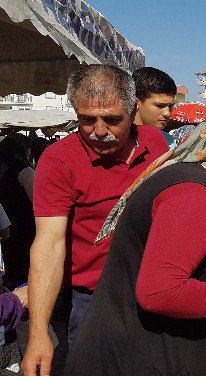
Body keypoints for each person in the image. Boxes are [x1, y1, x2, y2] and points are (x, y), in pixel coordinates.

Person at [64, 109, 206, 375]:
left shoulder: (196, 180)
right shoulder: (192, 193)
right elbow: (160, 291)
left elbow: (179, 257)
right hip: (133, 357)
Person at [23, 64, 169, 376]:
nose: (99, 131)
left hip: (157, 287)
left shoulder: (156, 143)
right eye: (87, 120)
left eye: (112, 119)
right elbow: (49, 243)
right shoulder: (59, 160)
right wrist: (39, 335)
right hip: (95, 298)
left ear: (133, 110)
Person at [0, 133, 36, 290]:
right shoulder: (24, 170)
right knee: (25, 269)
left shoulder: (3, 168)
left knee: (12, 268)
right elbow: (38, 200)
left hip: (6, 229)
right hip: (24, 229)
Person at [132, 67, 177, 147]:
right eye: (159, 106)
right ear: (136, 103)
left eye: (170, 106)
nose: (167, 113)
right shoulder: (116, 142)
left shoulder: (170, 143)